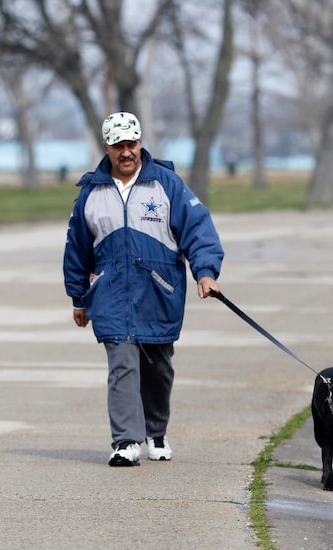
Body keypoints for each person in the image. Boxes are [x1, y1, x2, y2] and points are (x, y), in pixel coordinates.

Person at [63, 111, 225, 467]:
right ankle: (125, 442)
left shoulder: (166, 184)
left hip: (159, 292)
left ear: (141, 143)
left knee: (158, 369)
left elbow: (198, 230)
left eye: (131, 144)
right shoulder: (90, 192)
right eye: (118, 145)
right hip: (110, 295)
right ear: (106, 147)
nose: (126, 152)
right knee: (122, 364)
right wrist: (78, 298)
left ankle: (156, 431)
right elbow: (76, 248)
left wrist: (205, 272)